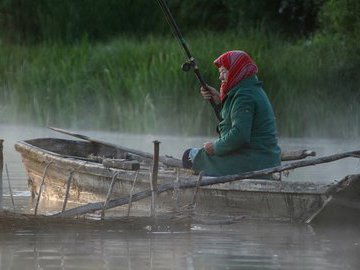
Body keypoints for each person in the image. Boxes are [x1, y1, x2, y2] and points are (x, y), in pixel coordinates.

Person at [182, 50, 281, 176]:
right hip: (263, 159)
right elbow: (234, 121)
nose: (220, 77)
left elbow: (239, 135)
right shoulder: (249, 89)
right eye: (220, 73)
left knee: (189, 155)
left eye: (224, 71)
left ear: (237, 70)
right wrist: (219, 102)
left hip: (253, 162)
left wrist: (214, 147)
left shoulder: (244, 96)